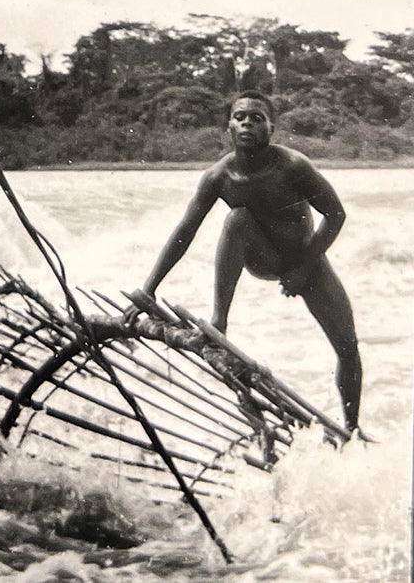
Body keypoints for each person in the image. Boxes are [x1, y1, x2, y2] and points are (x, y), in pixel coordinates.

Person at [130, 90, 362, 435]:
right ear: (229, 127)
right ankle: (220, 320)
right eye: (240, 117)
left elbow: (335, 214)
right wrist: (148, 291)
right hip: (262, 257)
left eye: (257, 118)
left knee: (349, 348)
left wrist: (303, 267)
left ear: (272, 129)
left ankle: (351, 429)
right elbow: (184, 232)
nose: (248, 124)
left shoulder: (294, 165)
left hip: (306, 259)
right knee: (236, 220)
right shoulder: (218, 177)